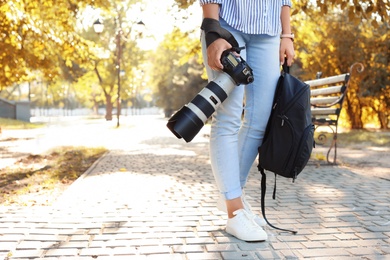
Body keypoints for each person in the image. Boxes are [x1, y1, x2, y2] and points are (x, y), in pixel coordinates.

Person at [199, 1, 295, 242]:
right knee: (228, 118)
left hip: (269, 32)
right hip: (228, 26)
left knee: (260, 120)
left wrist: (287, 34)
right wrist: (212, 29)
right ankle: (235, 210)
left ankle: (233, 196)